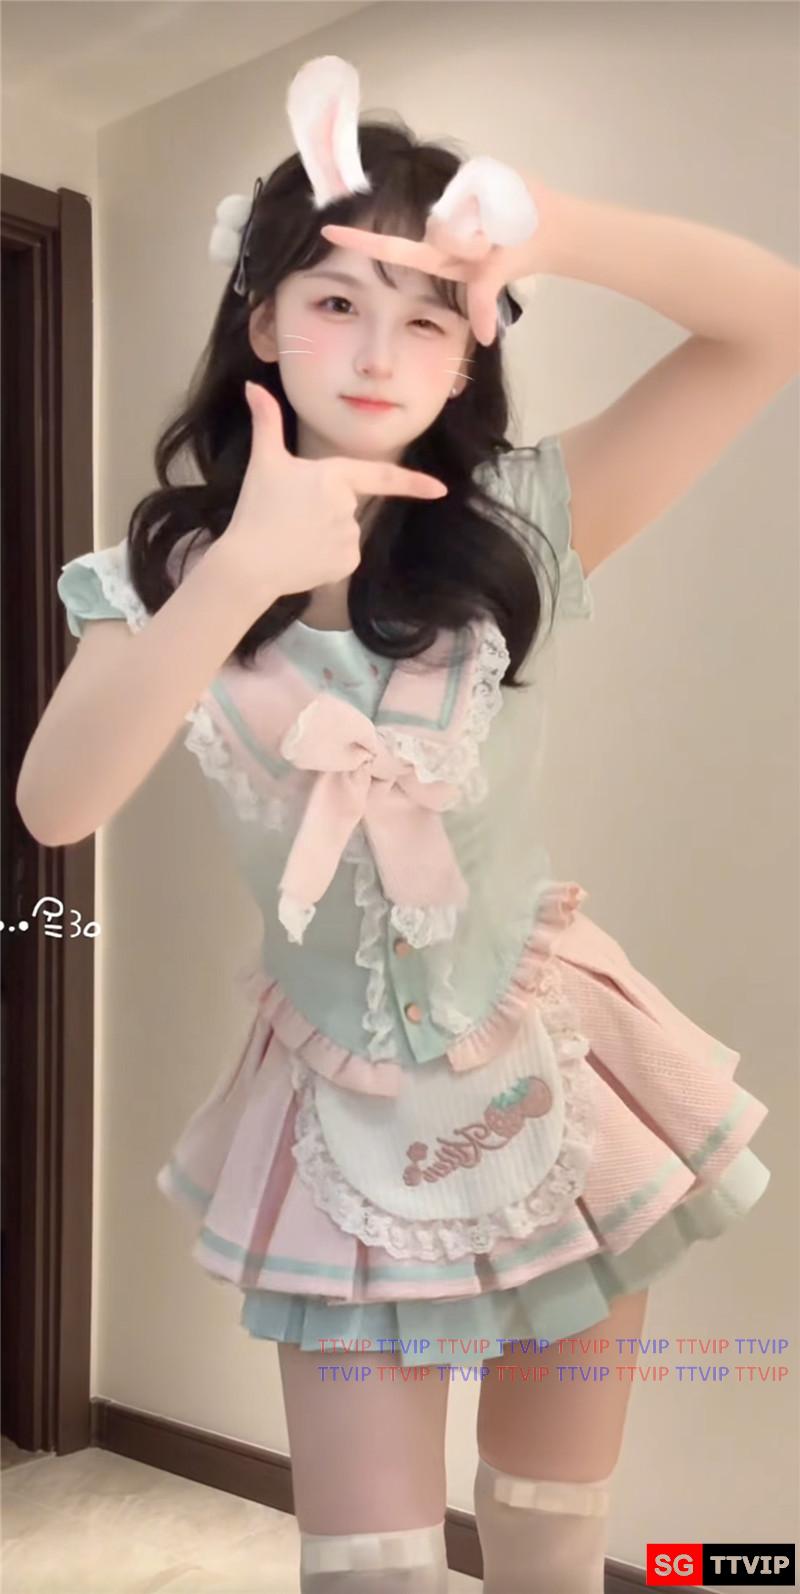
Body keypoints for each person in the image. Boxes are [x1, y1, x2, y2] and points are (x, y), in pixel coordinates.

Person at [17, 53, 780, 1594]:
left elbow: (768, 322)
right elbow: (56, 803)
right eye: (336, 300)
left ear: (472, 342)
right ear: (262, 320)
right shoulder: (159, 575)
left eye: (428, 313)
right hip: (336, 1120)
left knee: (550, 1533)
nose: (380, 349)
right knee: (369, 1567)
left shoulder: (522, 523)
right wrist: (240, 571)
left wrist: (559, 226)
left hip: (559, 1081)